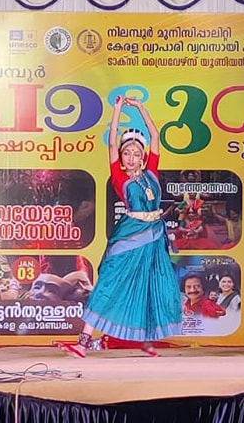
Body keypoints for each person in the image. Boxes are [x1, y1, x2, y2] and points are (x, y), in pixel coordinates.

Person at [60, 96, 181, 358]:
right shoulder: (118, 176)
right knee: (109, 283)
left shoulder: (152, 173)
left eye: (136, 153)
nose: (131, 157)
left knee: (151, 285)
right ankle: (83, 342)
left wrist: (141, 108)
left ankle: (147, 342)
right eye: (127, 153)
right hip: (130, 235)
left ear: (143, 157)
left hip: (154, 237)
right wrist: (117, 111)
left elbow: (155, 136)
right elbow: (112, 142)